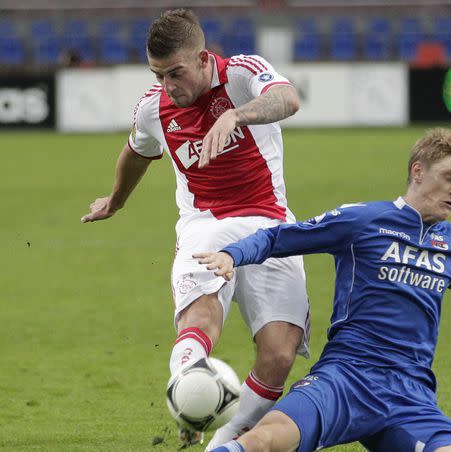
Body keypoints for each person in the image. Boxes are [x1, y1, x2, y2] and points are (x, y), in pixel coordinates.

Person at [196, 128, 451, 452]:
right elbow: (279, 237)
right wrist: (233, 255)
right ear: (417, 171)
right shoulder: (363, 221)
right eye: (449, 177)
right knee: (265, 441)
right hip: (345, 378)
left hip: (410, 396)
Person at [80, 9, 310, 449]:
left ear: (203, 59)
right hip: (205, 224)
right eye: (158, 74)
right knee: (201, 320)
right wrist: (115, 201)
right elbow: (135, 151)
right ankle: (189, 400)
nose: (168, 85)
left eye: (176, 73)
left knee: (280, 354)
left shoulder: (243, 73)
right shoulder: (153, 108)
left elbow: (288, 98)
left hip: (268, 221)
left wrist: (236, 116)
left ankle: (218, 441)